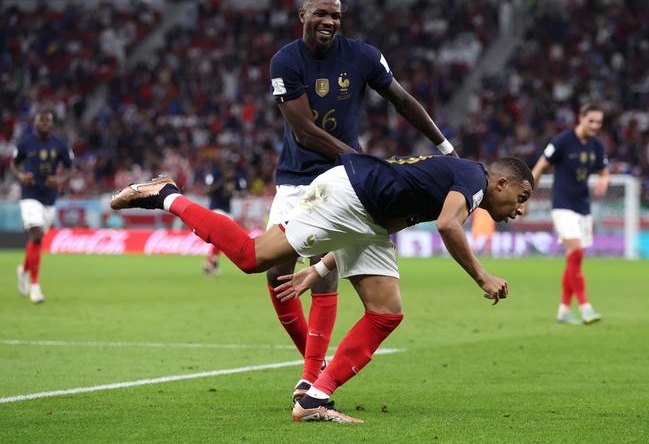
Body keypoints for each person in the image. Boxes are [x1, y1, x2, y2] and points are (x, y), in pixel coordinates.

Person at [110, 153, 534, 423]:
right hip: (348, 196)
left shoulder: (453, 181)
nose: (521, 209)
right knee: (250, 257)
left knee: (386, 311)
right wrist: (482, 276)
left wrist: (322, 266)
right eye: (521, 197)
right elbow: (446, 225)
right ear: (501, 183)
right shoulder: (473, 179)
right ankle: (165, 194)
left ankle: (315, 398)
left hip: (366, 217)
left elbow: (393, 222)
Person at [266, 0, 457, 402]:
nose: (329, 22)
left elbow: (403, 101)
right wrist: (362, 159)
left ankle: (309, 376)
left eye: (335, 15)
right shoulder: (285, 61)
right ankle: (313, 366)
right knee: (275, 273)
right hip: (297, 180)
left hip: (342, 184)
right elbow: (304, 130)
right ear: (302, 16)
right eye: (320, 14)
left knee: (324, 270)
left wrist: (443, 146)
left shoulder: (364, 56)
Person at [530, 103, 609, 325]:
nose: (595, 125)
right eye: (591, 120)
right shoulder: (563, 140)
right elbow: (539, 167)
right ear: (580, 117)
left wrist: (604, 180)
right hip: (562, 204)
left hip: (583, 207)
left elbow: (605, 172)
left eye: (599, 122)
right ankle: (585, 307)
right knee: (576, 252)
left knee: (573, 259)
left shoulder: (597, 145)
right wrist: (526, 196)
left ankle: (563, 310)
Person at [11, 111, 75, 303]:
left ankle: (23, 270)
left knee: (37, 239)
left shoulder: (60, 145)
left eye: (49, 121)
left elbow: (71, 167)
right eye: (42, 120)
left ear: (52, 124)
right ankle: (35, 287)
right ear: (35, 122)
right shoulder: (24, 143)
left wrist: (60, 179)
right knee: (36, 234)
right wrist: (21, 176)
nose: (45, 124)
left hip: (49, 198)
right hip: (29, 195)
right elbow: (14, 164)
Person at [201, 162, 243, 276]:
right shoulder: (215, 176)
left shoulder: (233, 180)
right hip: (216, 209)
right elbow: (207, 191)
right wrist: (222, 182)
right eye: (229, 171)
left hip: (227, 211)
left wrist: (231, 191)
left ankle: (213, 261)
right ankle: (211, 261)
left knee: (223, 239)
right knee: (221, 237)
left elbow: (239, 194)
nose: (231, 173)